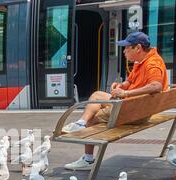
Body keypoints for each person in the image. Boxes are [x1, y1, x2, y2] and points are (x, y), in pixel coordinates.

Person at [63, 31, 169, 171]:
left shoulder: (152, 64)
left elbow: (156, 86)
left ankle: (88, 158)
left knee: (93, 117)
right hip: (137, 106)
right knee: (97, 96)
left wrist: (125, 92)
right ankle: (80, 123)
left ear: (138, 48)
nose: (124, 51)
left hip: (134, 112)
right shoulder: (144, 60)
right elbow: (131, 80)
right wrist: (122, 85)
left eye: (127, 48)